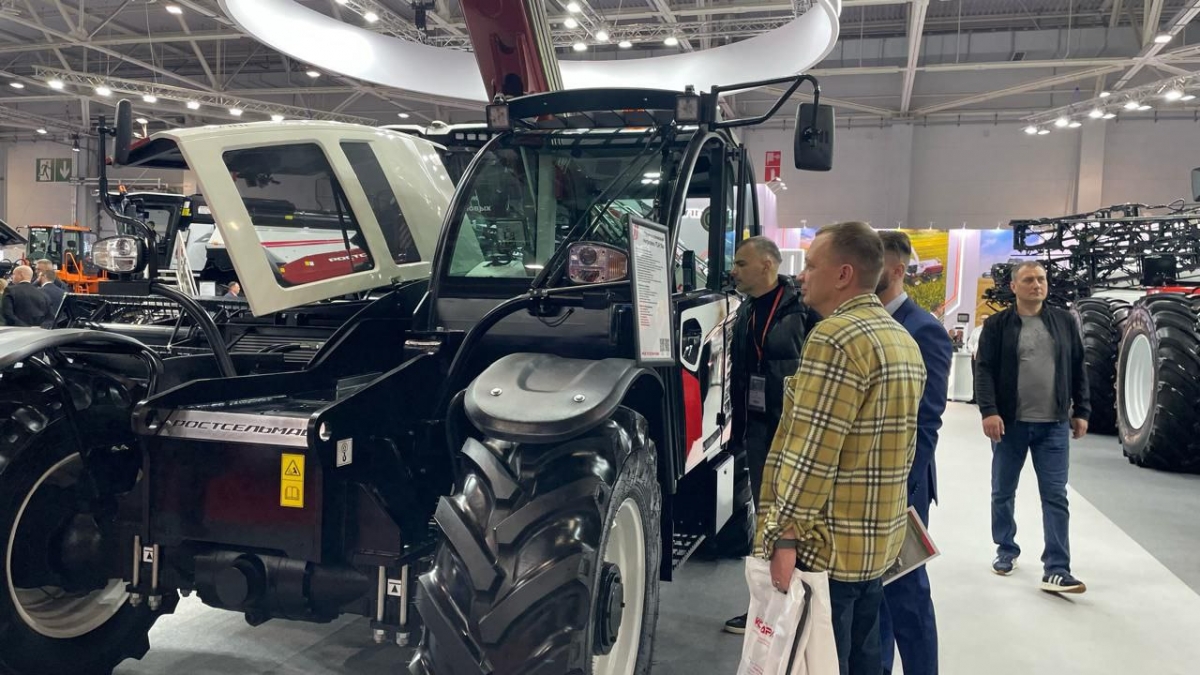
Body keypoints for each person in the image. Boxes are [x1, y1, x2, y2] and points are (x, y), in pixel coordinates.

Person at [757, 222, 926, 675]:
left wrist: (783, 536)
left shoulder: (835, 339)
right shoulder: (901, 339)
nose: (802, 275)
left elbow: (812, 453)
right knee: (862, 660)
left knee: (818, 661)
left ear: (843, 274)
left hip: (827, 550)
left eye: (812, 266)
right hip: (875, 545)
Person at [721, 235, 820, 634]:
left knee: (792, 521)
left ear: (767, 265)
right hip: (759, 429)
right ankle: (765, 608)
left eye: (741, 264)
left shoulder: (803, 309)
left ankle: (797, 607)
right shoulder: (747, 309)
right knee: (766, 519)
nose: (734, 271)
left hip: (793, 432)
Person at [975, 261, 1090, 594]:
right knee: (1002, 491)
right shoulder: (997, 325)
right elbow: (984, 370)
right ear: (1014, 287)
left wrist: (1082, 410)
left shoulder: (1064, 322)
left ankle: (1057, 567)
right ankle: (1006, 548)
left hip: (1053, 425)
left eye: (1041, 279)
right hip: (1010, 425)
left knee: (1055, 496)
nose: (1036, 285)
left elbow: (1077, 367)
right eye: (1028, 280)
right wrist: (989, 411)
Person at [874, 232, 952, 675]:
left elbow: (927, 421)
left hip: (906, 484)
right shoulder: (866, 323)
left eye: (875, 261)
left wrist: (902, 488)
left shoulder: (924, 330)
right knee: (876, 591)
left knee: (906, 590)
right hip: (875, 484)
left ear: (897, 269)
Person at [965, 313, 990, 405]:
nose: (983, 320)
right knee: (976, 377)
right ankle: (975, 397)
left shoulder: (992, 330)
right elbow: (970, 342)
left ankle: (985, 399)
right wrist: (973, 351)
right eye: (982, 318)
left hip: (987, 356)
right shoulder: (976, 330)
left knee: (986, 377)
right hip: (975, 356)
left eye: (986, 318)